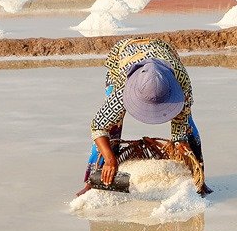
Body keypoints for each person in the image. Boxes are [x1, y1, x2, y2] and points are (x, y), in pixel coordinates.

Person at [80, 37, 211, 196]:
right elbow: (98, 126)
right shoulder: (123, 89)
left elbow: (181, 120)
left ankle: (199, 179)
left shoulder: (181, 82)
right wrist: (110, 158)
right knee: (112, 126)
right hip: (123, 59)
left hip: (162, 53)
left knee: (187, 127)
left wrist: (180, 140)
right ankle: (93, 181)